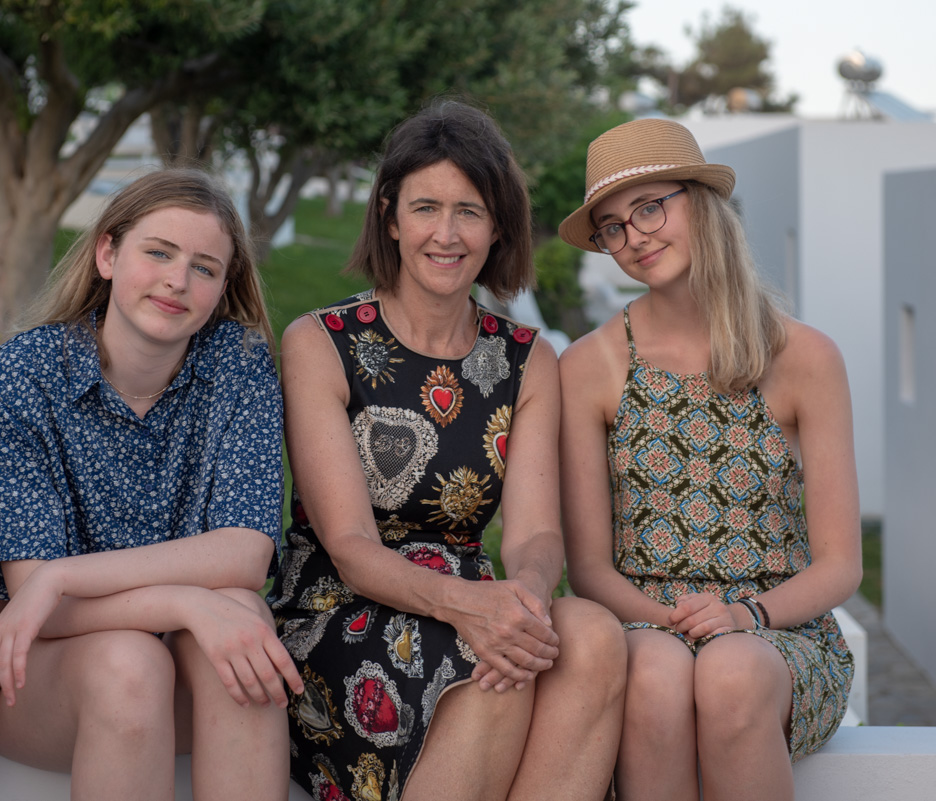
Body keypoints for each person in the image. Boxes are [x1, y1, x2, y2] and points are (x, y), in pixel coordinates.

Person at [267, 100, 626, 801]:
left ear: (498, 227)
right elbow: (350, 545)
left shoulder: (526, 358)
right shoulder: (322, 343)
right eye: (426, 207)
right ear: (390, 217)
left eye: (470, 211)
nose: (447, 233)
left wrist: (524, 598)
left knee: (592, 634)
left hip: (477, 598)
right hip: (342, 608)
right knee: (488, 667)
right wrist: (471, 609)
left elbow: (535, 533)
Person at [0, 168, 302, 801]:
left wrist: (64, 575)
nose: (178, 280)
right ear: (108, 254)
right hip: (48, 678)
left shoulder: (239, 362)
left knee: (242, 616)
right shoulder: (24, 374)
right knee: (132, 659)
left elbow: (246, 553)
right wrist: (186, 602)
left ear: (222, 286)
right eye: (159, 253)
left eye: (204, 268)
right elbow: (37, 605)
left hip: (184, 672)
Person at [558, 118, 860, 800]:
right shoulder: (588, 365)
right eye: (612, 227)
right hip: (643, 620)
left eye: (649, 208)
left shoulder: (805, 357)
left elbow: (842, 563)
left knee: (730, 674)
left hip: (777, 628)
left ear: (701, 202)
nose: (635, 236)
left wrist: (743, 616)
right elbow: (590, 568)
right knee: (656, 674)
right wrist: (679, 622)